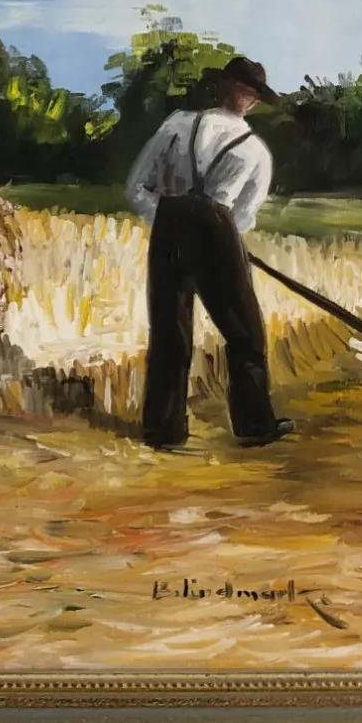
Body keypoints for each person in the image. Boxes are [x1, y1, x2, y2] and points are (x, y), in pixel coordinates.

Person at [124, 55, 294, 450]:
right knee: (246, 335)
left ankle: (163, 430)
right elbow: (244, 216)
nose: (247, 99)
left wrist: (170, 216)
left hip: (168, 226)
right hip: (217, 231)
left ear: (220, 87)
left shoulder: (176, 124)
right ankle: (254, 426)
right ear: (251, 98)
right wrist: (217, 236)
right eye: (250, 93)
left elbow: (136, 187)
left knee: (169, 332)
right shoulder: (256, 151)